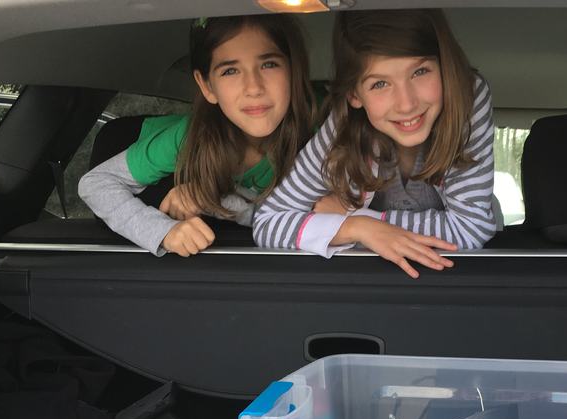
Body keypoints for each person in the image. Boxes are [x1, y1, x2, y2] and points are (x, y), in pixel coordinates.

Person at [253, 9, 496, 278]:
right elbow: (268, 222)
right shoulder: (344, 128)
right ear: (354, 95)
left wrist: (356, 217)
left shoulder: (466, 97)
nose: (407, 104)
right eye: (380, 83)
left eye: (420, 71)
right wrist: (356, 228)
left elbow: (469, 228)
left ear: (445, 67)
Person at [79, 15, 314, 256]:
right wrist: (165, 231)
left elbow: (283, 216)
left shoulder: (312, 146)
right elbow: (95, 184)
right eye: (230, 70)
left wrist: (215, 199)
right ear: (207, 87)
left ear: (294, 71)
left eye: (269, 64)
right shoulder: (190, 138)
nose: (253, 87)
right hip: (148, 166)